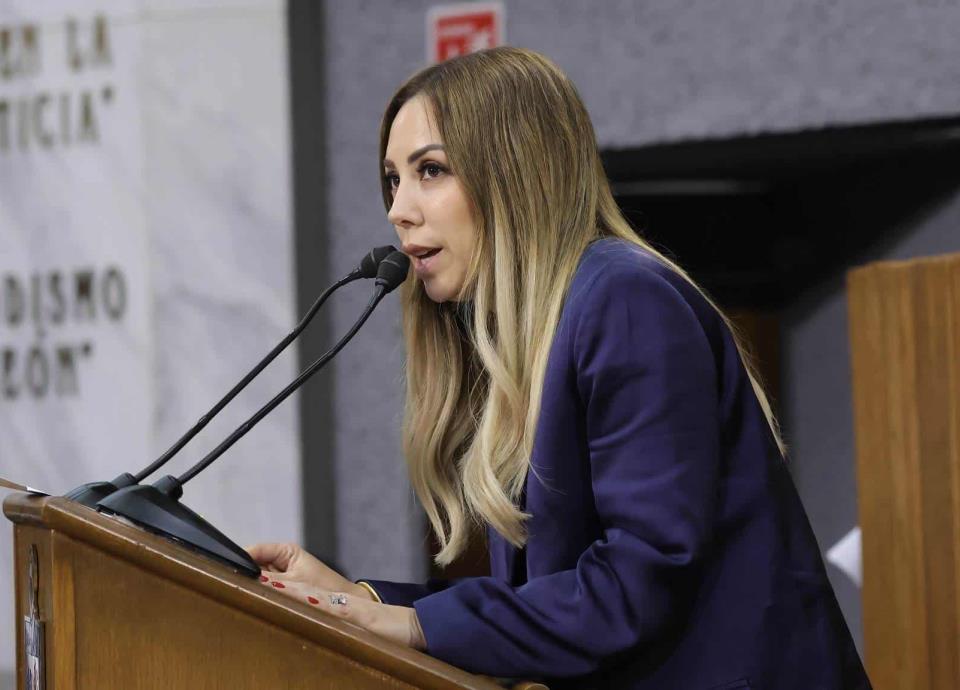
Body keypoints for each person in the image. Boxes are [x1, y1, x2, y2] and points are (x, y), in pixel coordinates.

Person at [247, 47, 871, 689]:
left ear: (516, 173)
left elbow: (634, 586)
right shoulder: (526, 332)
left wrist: (415, 624)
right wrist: (361, 599)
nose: (398, 209)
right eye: (392, 179)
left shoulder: (626, 300)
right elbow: (556, 598)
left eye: (430, 170)